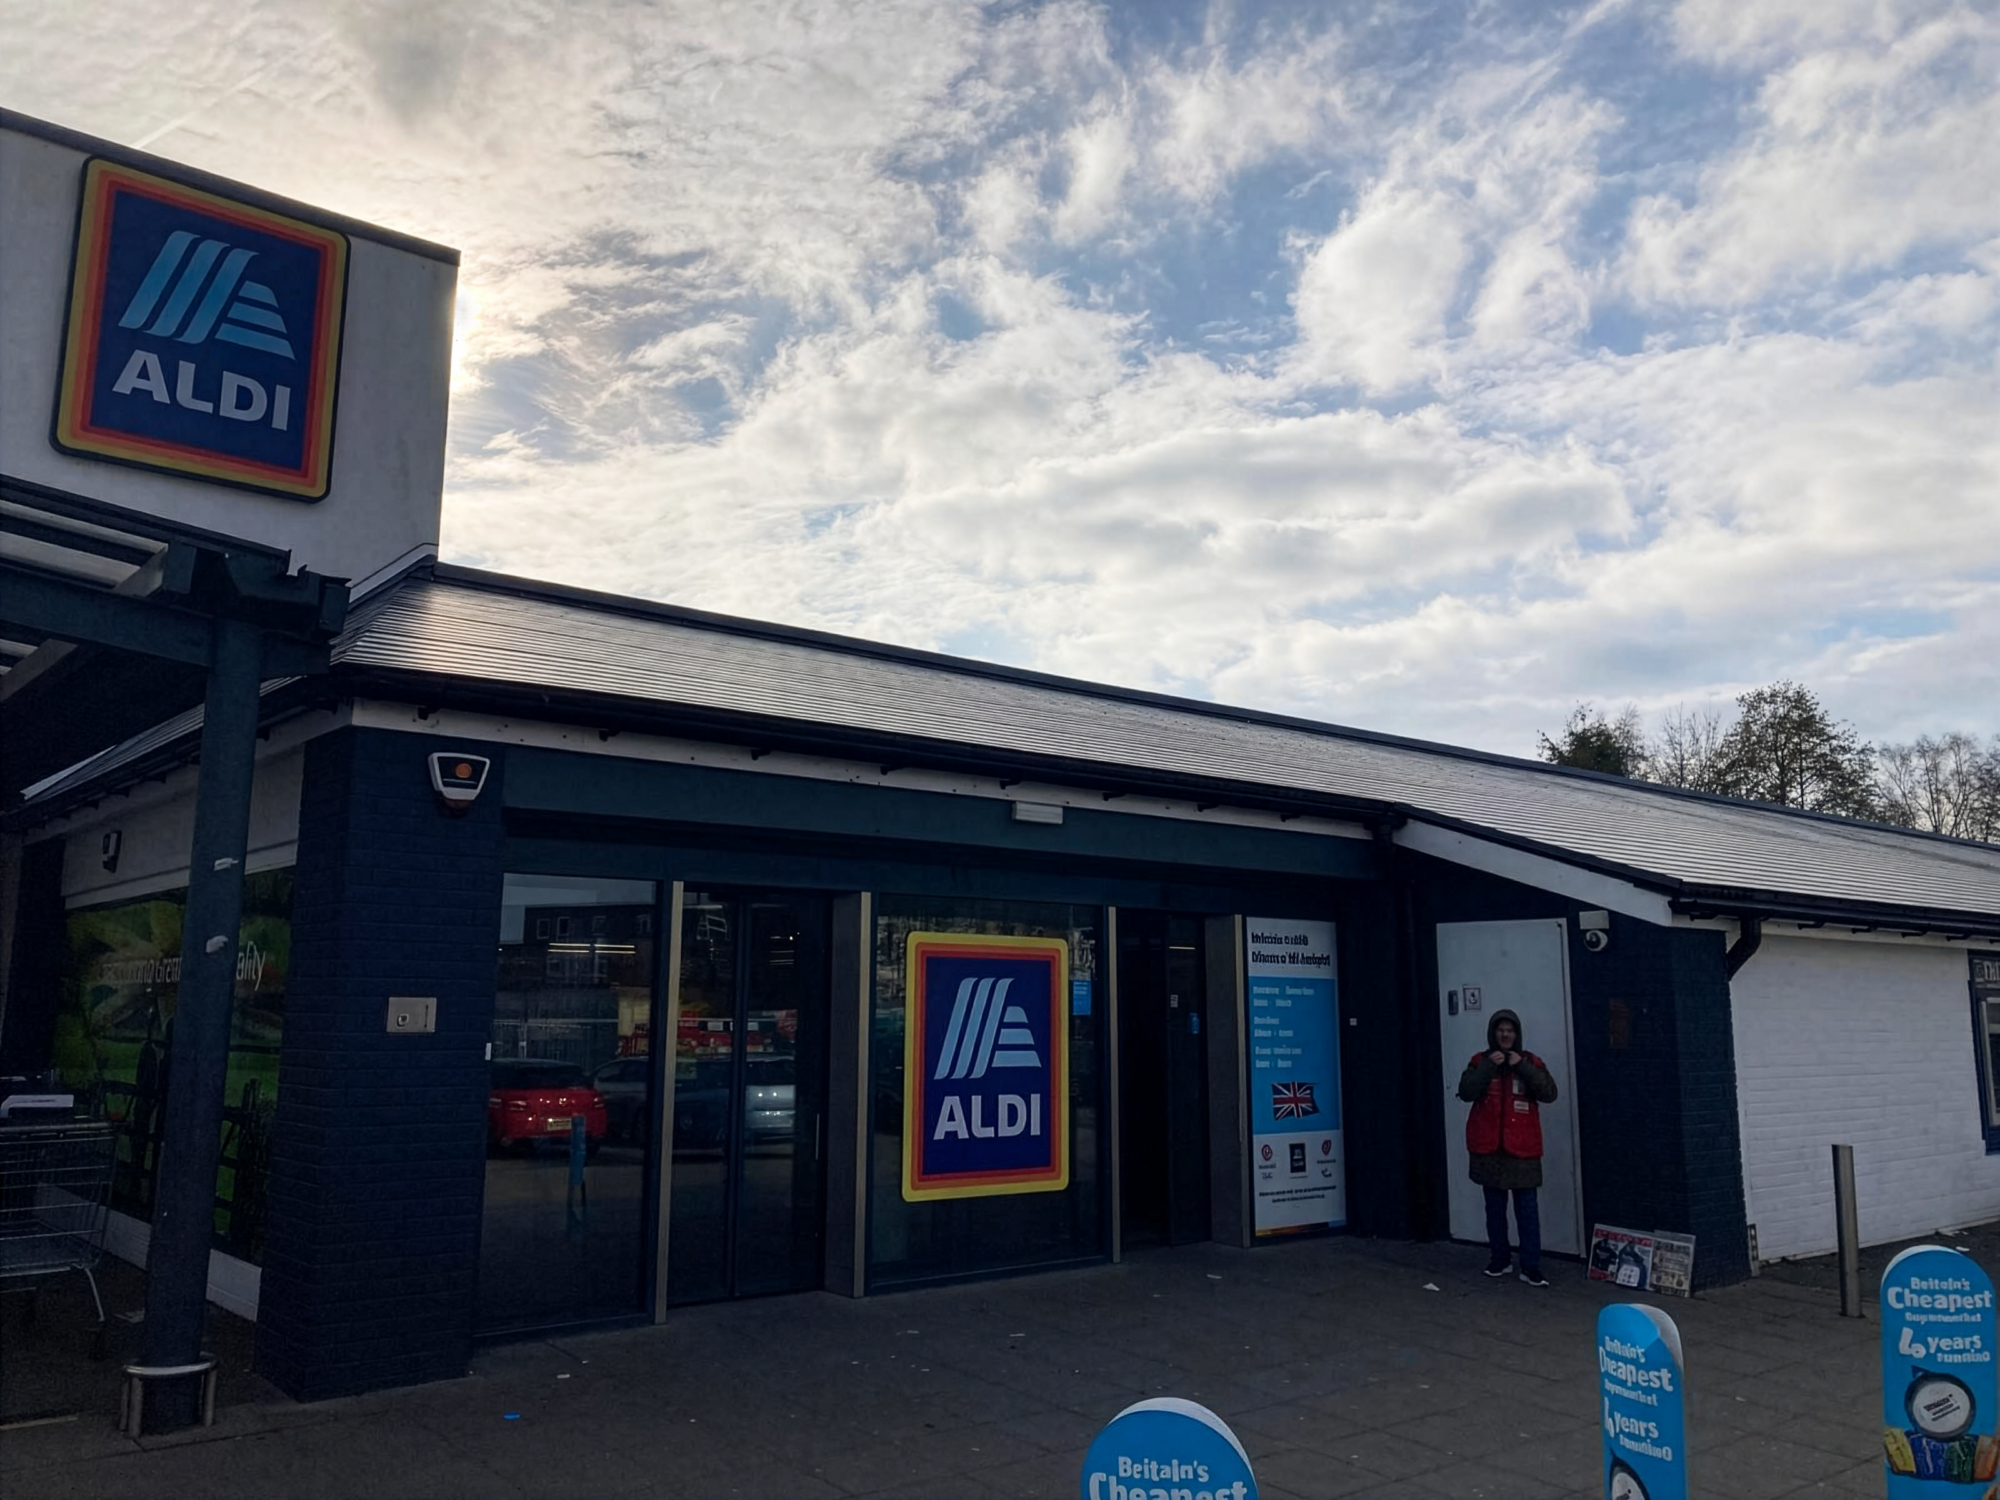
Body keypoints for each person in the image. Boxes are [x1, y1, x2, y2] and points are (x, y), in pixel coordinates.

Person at [1456, 1008, 1558, 1286]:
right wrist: (1490, 1065)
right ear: (1493, 1034)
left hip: (1523, 1150)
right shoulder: (1479, 1061)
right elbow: (1466, 1092)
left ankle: (1530, 1266)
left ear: (1517, 1034)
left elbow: (1550, 1093)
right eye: (1500, 1030)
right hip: (1489, 1149)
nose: (1505, 1034)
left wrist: (1521, 1066)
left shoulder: (1531, 1062)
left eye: (1510, 1030)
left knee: (1527, 1211)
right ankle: (1499, 1260)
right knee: (1494, 1210)